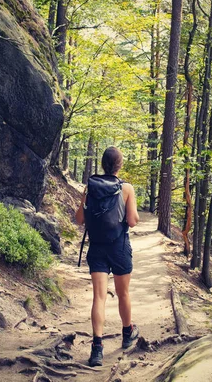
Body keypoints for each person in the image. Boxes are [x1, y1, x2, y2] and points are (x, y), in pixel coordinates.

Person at [75, 146, 140, 367]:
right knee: (123, 294)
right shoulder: (127, 188)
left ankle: (97, 349)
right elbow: (131, 221)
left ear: (102, 164)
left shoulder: (90, 187)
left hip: (97, 248)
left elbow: (79, 219)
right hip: (119, 247)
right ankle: (127, 333)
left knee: (99, 297)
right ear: (120, 165)